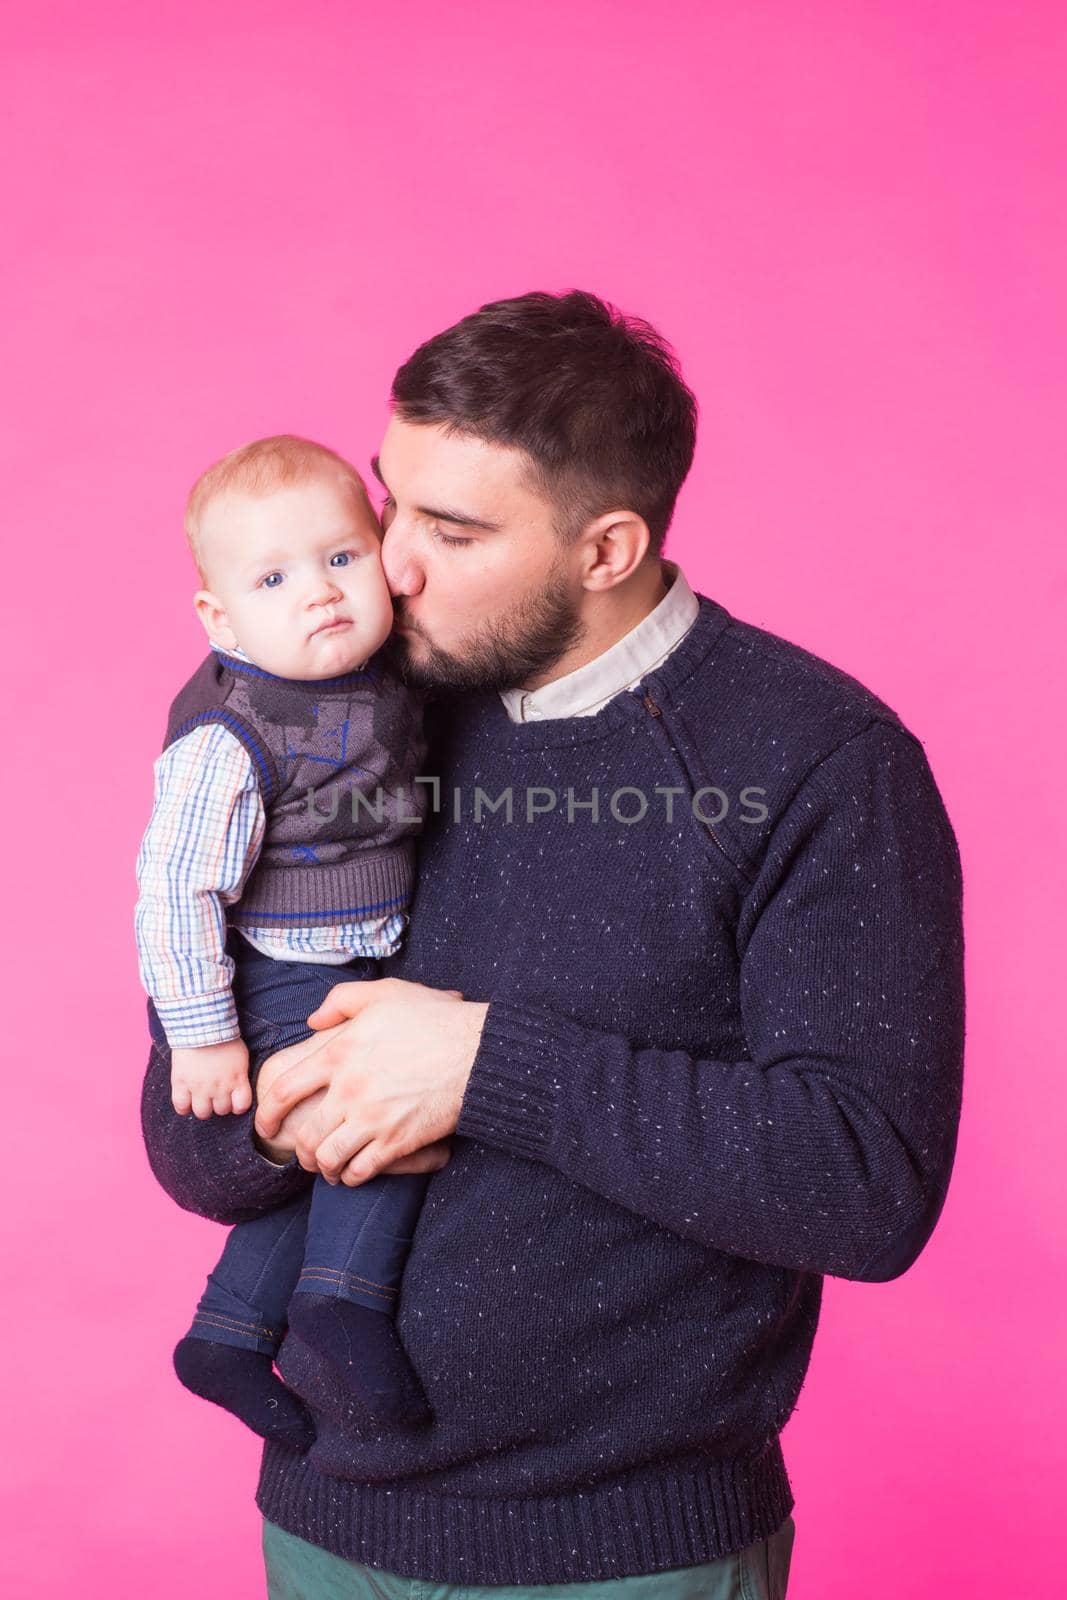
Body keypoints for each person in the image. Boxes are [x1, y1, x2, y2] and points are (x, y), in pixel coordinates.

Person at [141, 290, 965, 1599]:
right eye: (388, 499)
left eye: (450, 530)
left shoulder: (813, 763)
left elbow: (863, 1185)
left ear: (605, 548)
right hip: (322, 1531)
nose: (385, 560)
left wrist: (481, 1066)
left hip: (628, 1559)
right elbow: (187, 1129)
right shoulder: (314, 703)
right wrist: (275, 1122)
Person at [135, 435, 438, 1441]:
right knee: (374, 1112)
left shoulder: (392, 671)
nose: (320, 593)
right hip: (273, 971)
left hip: (360, 946)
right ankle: (342, 1297)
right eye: (274, 577)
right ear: (222, 618)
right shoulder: (230, 730)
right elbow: (175, 888)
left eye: (342, 558)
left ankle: (227, 1330)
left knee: (315, 1146)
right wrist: (203, 1034)